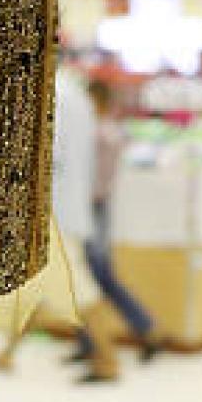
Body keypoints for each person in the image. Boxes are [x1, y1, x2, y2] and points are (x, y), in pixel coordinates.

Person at [0, 64, 125, 382]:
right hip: (64, 208)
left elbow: (48, 157)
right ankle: (6, 354)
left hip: (56, 214)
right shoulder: (74, 95)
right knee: (34, 288)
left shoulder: (54, 95)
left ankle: (107, 361)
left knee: (79, 289)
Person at [69, 78, 161, 363]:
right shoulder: (111, 132)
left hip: (89, 209)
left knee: (96, 275)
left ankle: (145, 327)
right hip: (97, 208)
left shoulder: (98, 134)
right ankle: (90, 340)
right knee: (87, 276)